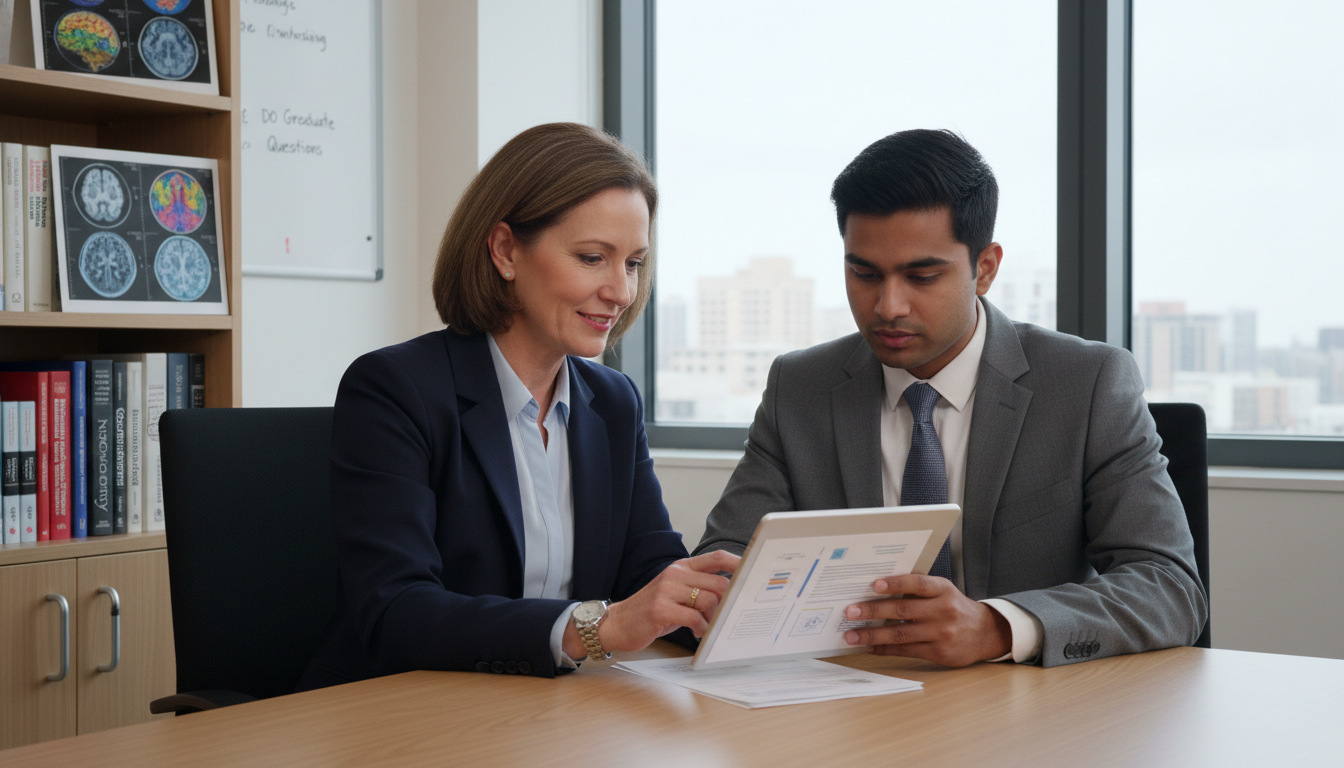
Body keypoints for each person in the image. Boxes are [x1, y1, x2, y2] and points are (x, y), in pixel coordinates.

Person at [693, 129, 1207, 668]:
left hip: (1025, 705)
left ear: (985, 268)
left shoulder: (1087, 383)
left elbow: (1169, 588)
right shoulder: (800, 387)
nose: (888, 306)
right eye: (864, 273)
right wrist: (722, 596)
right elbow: (721, 562)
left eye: (921, 276)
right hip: (850, 695)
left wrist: (996, 627)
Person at [298, 123, 737, 689]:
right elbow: (397, 610)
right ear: (506, 250)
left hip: (550, 708)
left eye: (632, 263)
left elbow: (647, 570)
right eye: (592, 258)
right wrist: (595, 628)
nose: (622, 292)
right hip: (407, 708)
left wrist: (733, 605)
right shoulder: (393, 389)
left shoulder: (614, 401)